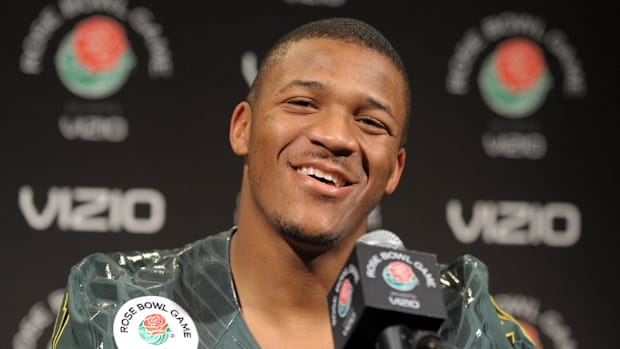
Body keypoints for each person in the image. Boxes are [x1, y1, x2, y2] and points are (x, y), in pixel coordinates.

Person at [50, 17, 535, 349]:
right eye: (303, 103)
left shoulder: (459, 320)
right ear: (243, 127)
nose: (335, 137)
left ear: (396, 169)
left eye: (371, 123)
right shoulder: (114, 301)